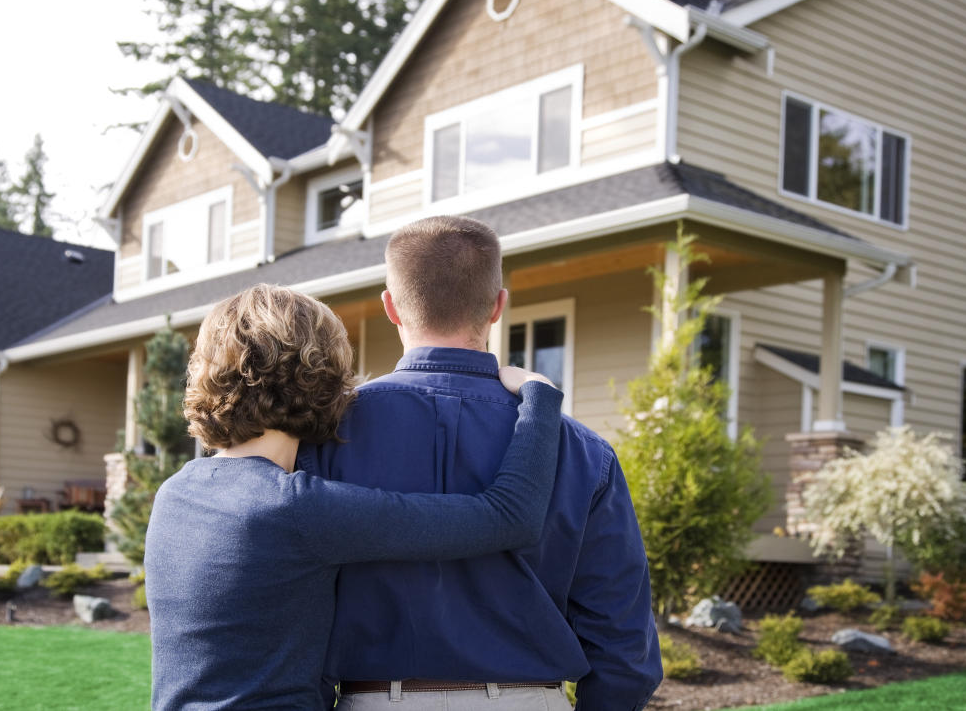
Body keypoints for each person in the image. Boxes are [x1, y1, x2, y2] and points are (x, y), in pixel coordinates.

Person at [299, 215, 664, 710]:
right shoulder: (581, 450)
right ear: (497, 305)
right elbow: (624, 646)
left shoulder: (323, 437)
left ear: (390, 306)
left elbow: (292, 610)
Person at [144, 284, 564, 711]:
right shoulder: (295, 509)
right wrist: (540, 396)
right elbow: (510, 517)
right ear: (322, 382)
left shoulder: (174, 495)